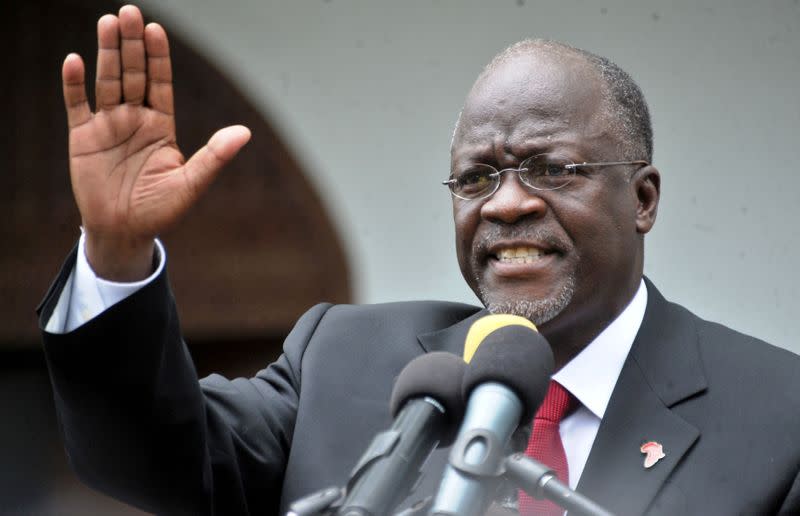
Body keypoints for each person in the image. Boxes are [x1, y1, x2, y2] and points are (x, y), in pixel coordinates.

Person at [39, 4, 800, 516]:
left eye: (550, 169)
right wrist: (116, 247)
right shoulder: (347, 361)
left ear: (643, 199)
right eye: (476, 178)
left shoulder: (777, 415)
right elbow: (145, 457)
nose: (505, 205)